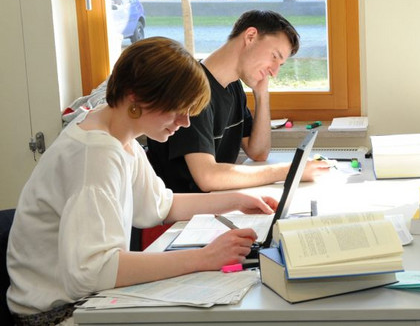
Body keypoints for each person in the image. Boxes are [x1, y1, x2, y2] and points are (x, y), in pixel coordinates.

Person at [6, 37, 277, 324]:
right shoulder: (95, 154)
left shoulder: (120, 137)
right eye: (178, 109)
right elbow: (91, 271)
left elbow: (160, 205)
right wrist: (203, 258)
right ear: (136, 98)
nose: (185, 122)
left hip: (82, 301)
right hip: (56, 315)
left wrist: (235, 200)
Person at [146, 10, 328, 194]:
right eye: (274, 56)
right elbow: (207, 177)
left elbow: (258, 152)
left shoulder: (233, 86)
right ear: (250, 36)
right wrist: (289, 171)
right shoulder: (192, 89)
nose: (274, 72)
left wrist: (262, 94)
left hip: (213, 206)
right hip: (181, 216)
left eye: (279, 65)